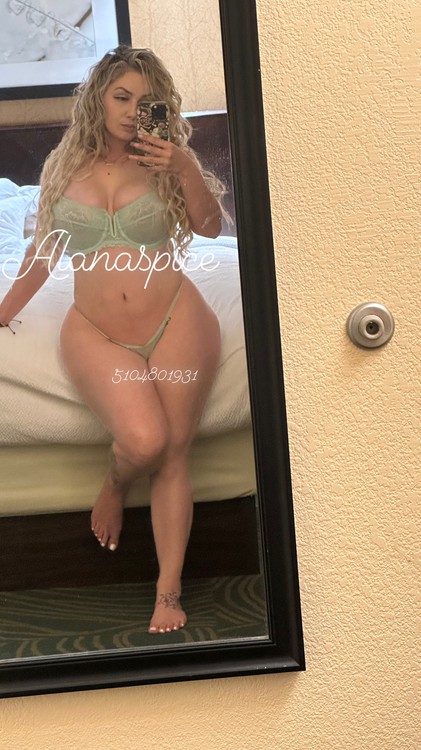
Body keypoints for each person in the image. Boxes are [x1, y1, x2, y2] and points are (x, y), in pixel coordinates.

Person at [0, 45, 225, 634]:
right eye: (121, 97)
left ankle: (168, 592)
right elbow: (43, 253)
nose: (130, 112)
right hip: (96, 331)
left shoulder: (165, 161)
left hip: (176, 318)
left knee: (172, 451)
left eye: (145, 101)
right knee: (144, 441)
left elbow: (210, 228)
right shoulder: (64, 165)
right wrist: (3, 312)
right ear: (98, 98)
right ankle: (116, 481)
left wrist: (183, 167)